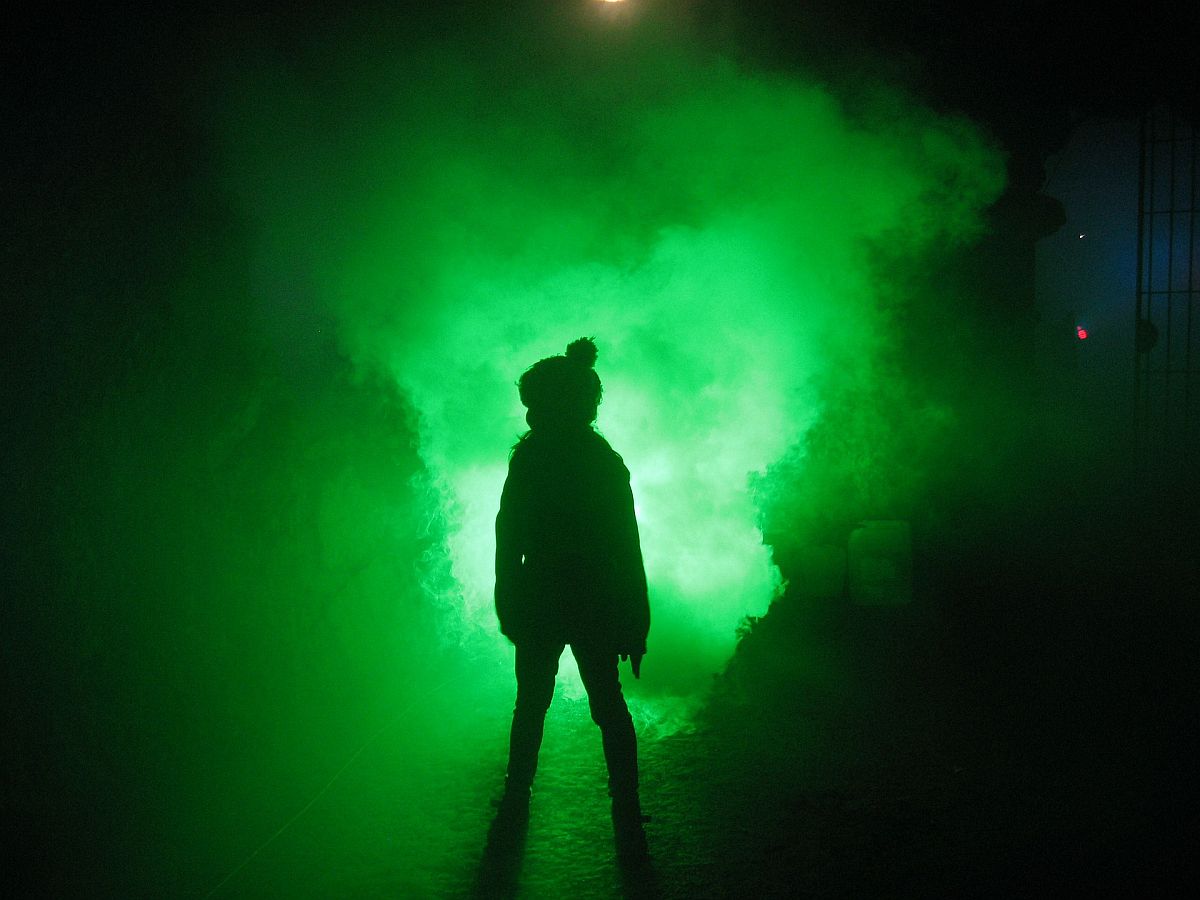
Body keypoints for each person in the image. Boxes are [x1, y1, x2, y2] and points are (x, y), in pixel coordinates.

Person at [494, 337, 650, 833]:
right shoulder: (603, 462)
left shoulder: (530, 458)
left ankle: (516, 798)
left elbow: (507, 533)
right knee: (608, 704)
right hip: (594, 598)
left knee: (531, 704)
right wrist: (635, 621)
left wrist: (507, 597)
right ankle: (626, 806)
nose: (529, 414)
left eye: (534, 404)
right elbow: (628, 547)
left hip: (541, 596)